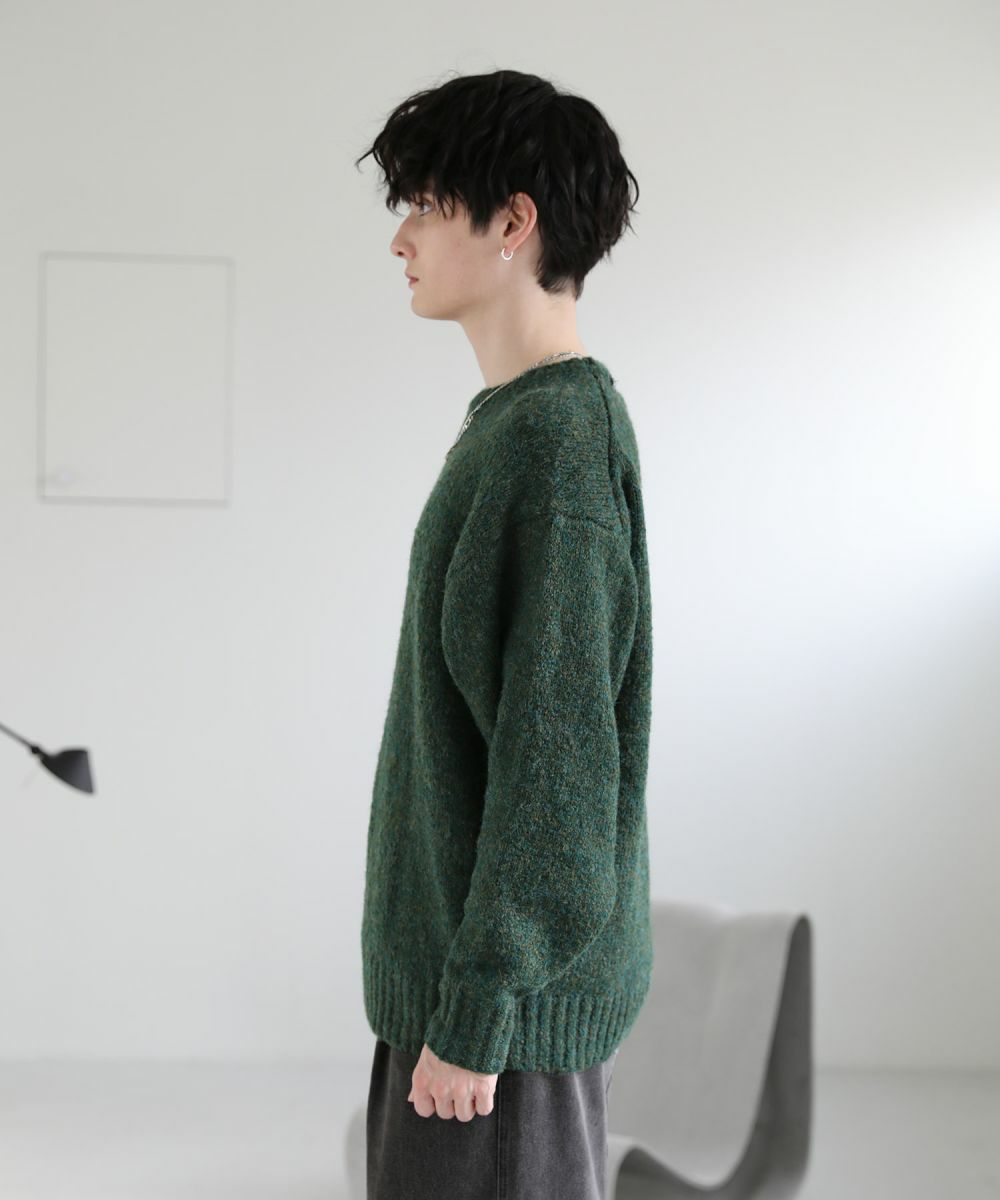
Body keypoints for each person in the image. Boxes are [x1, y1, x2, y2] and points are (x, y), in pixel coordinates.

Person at [353, 67, 653, 1199]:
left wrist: (479, 1009)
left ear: (513, 222)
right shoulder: (520, 427)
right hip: (472, 1006)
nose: (402, 239)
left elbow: (560, 768)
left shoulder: (554, 447)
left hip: (496, 1034)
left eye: (427, 206)